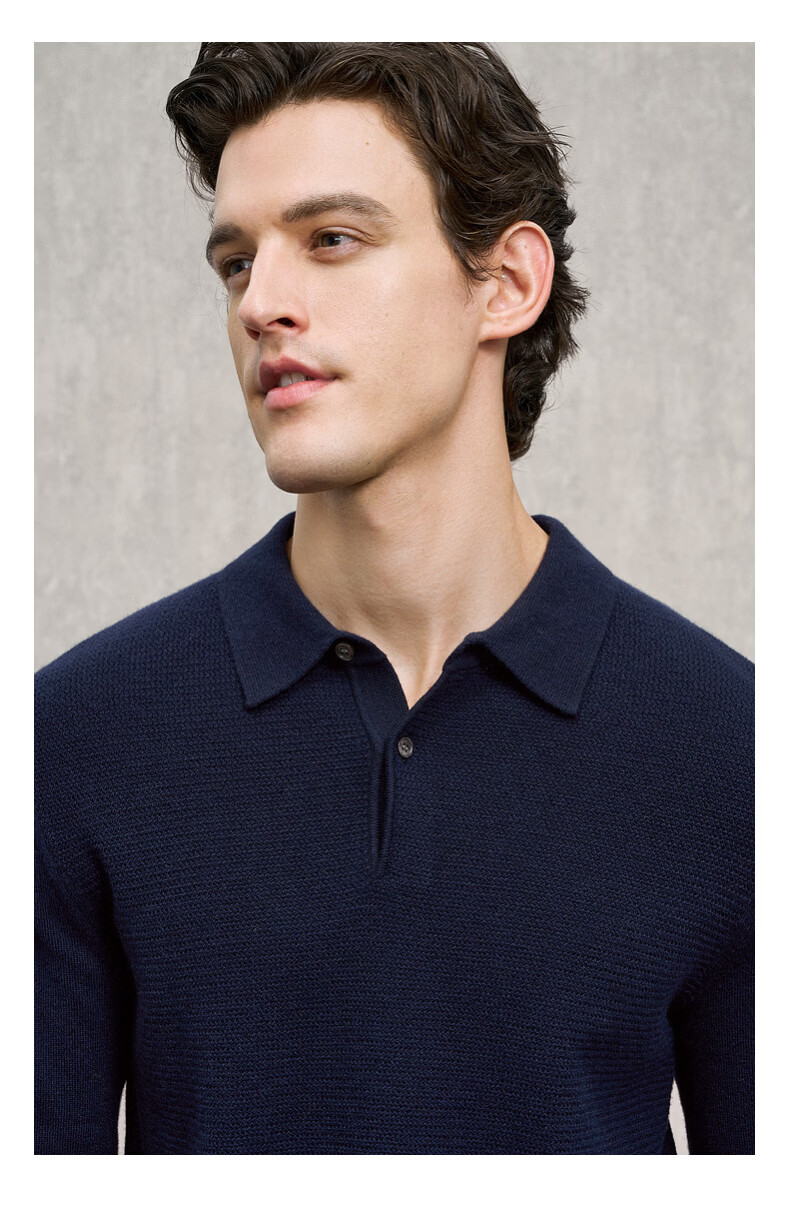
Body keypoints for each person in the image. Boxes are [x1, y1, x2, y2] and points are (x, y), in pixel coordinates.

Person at [34, 42, 754, 1155]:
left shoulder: (733, 745)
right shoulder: (71, 740)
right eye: (236, 261)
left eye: (331, 239)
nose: (261, 303)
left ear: (505, 283)